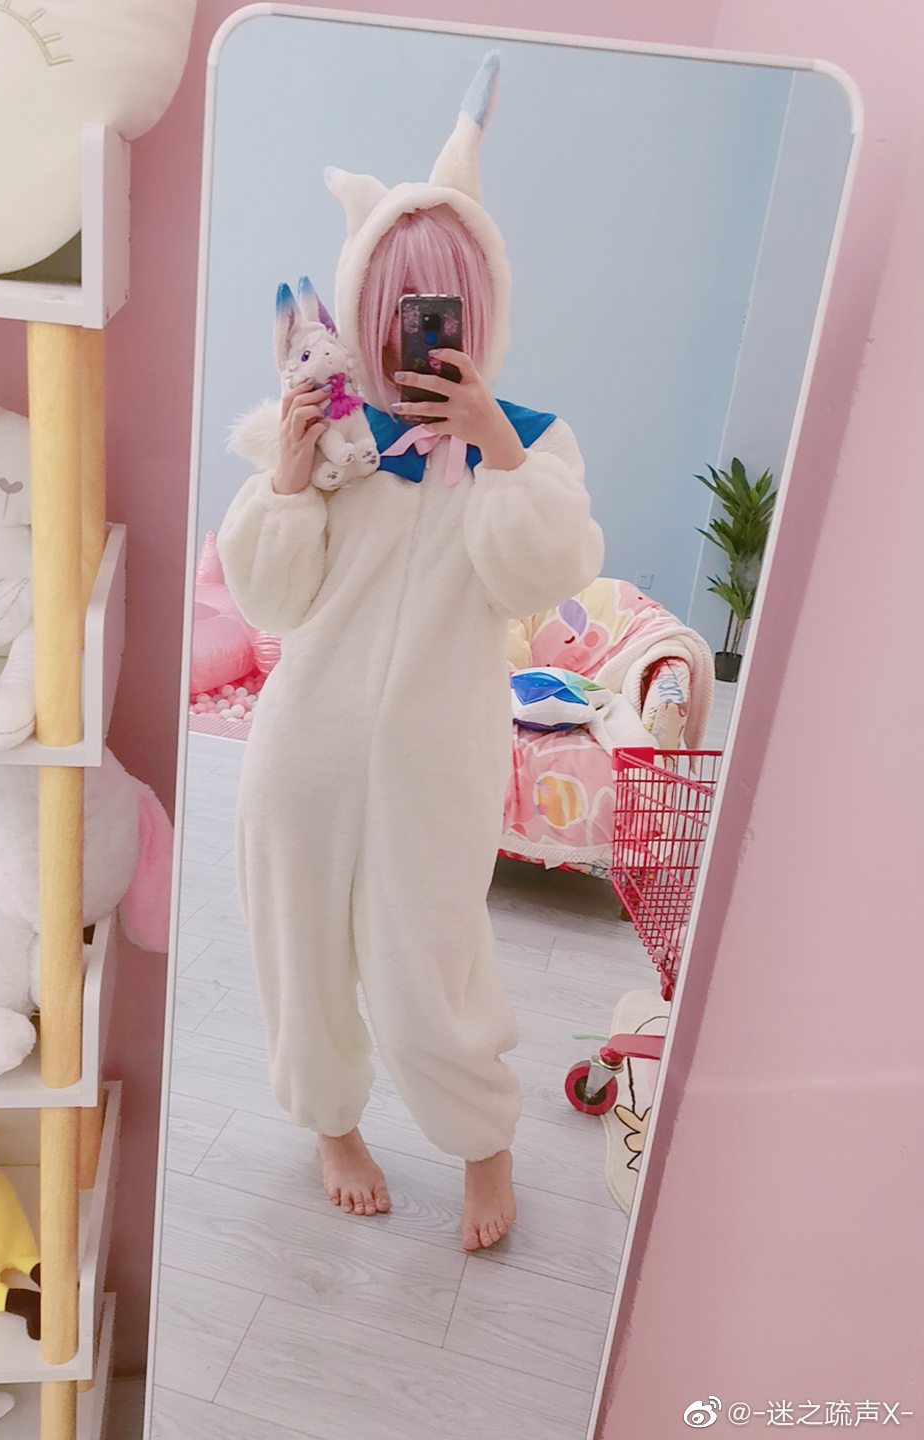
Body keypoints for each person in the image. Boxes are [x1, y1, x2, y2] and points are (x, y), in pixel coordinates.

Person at [218, 53, 604, 1251]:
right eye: (396, 308)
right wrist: (290, 478)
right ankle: (331, 1126)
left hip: (439, 760)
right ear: (363, 306)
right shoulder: (330, 435)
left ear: (479, 314)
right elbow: (268, 595)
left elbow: (538, 574)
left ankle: (483, 1142)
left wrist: (495, 448)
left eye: (442, 311)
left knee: (429, 962)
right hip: (302, 753)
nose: (417, 335)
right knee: (300, 950)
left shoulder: (531, 445)